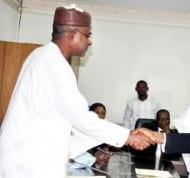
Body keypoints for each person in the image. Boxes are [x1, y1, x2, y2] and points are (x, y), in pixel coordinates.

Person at [0, 6, 153, 178]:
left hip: (27, 157)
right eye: (87, 35)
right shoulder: (55, 65)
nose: (90, 42)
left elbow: (67, 120)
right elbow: (80, 118)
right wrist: (128, 137)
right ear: (72, 35)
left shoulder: (41, 55)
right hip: (29, 163)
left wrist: (115, 137)